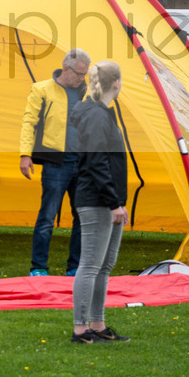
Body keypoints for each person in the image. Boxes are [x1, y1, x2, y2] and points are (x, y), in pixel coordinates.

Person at [69, 61, 130, 343]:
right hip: (96, 199)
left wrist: (118, 201)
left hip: (108, 199)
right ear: (116, 83)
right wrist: (113, 201)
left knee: (104, 265)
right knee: (91, 264)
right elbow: (96, 161)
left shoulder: (104, 112)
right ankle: (81, 328)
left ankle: (98, 323)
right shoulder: (95, 114)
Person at [19, 48, 91, 277]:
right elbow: (28, 122)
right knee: (47, 216)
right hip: (56, 163)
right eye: (80, 73)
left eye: (85, 74)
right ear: (66, 69)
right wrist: (25, 155)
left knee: (82, 217)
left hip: (82, 163)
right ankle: (38, 267)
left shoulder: (86, 93)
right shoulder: (41, 89)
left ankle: (75, 267)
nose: (82, 78)